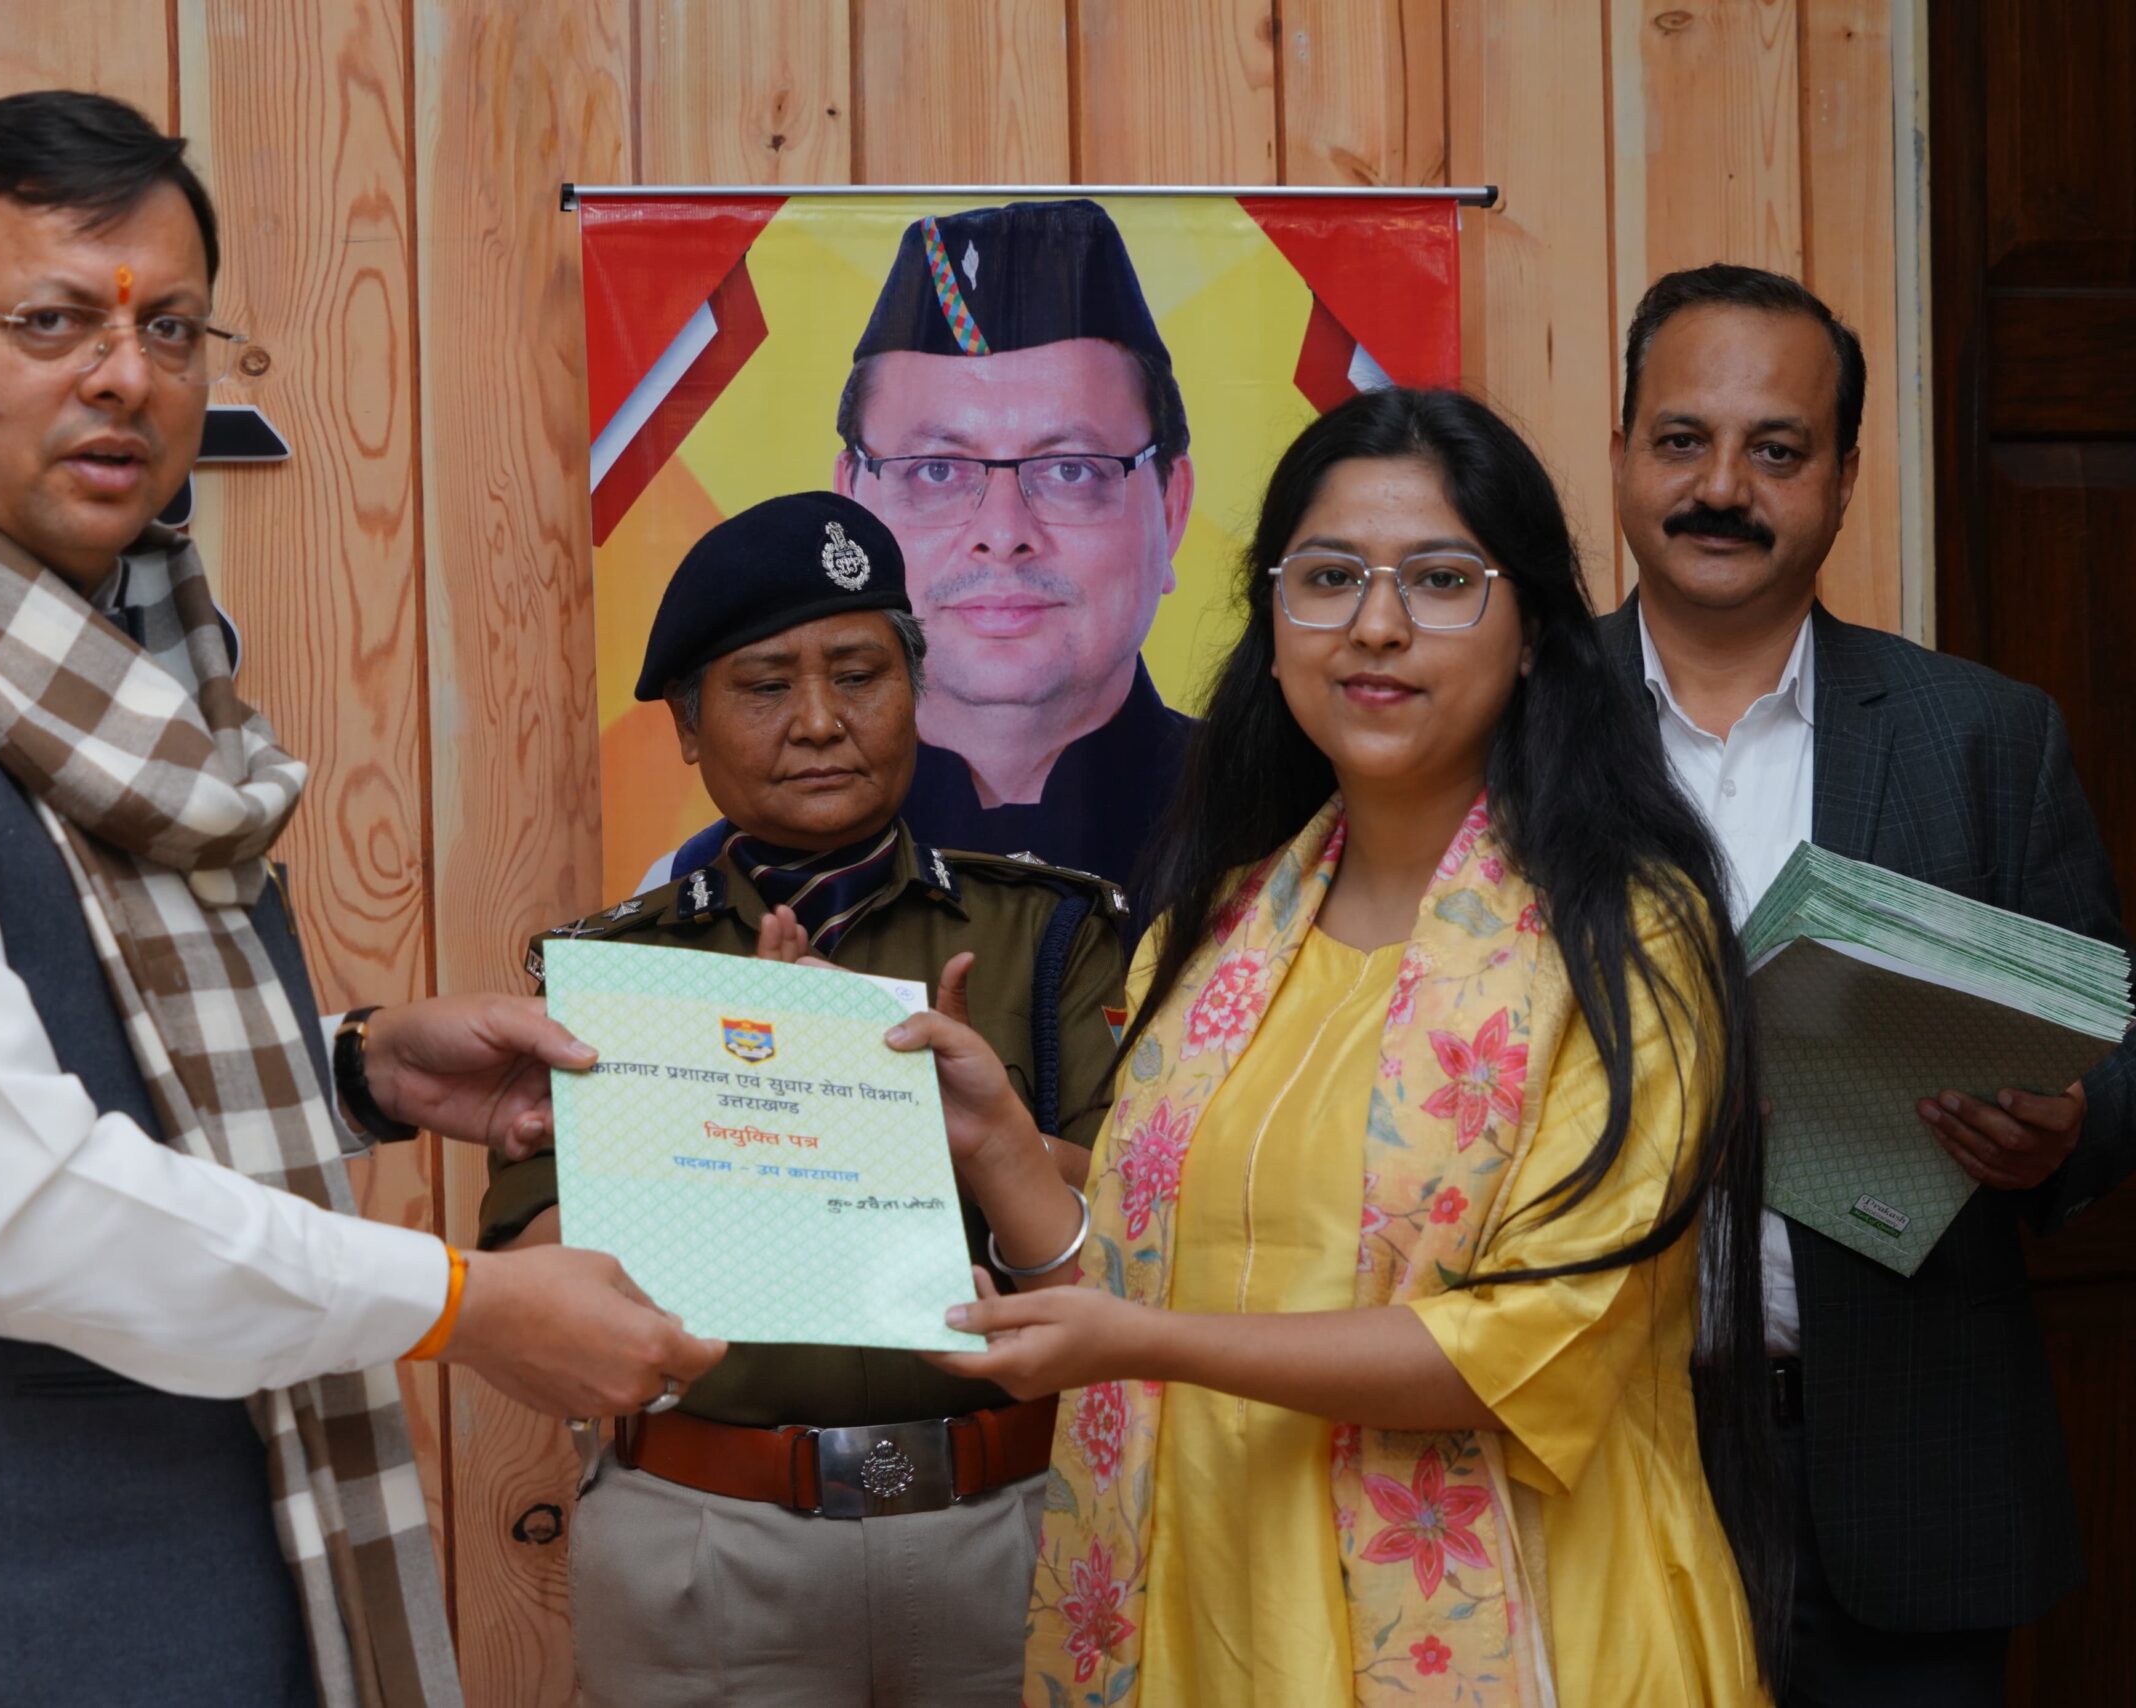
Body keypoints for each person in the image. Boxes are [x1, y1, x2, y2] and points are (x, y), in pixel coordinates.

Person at [0, 91, 722, 1708]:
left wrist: (353, 1067)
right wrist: (463, 1302)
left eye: (174, 328)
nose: (127, 375)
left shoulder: (91, 655)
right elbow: (1, 1207)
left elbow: (55, 1039)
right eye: (52, 321)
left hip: (218, 1613)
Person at [897, 388, 1792, 1704]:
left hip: (1531, 1620)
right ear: (1273, 626)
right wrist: (1003, 1150)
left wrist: (1146, 1343)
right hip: (1217, 1610)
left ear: (1533, 634)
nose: (1376, 624)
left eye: (1441, 580)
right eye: (1327, 578)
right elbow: (1136, 1269)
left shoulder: (1625, 942)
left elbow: (1521, 1349)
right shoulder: (1216, 926)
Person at [480, 491, 1130, 1708]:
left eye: (859, 674)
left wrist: (929, 1121)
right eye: (766, 685)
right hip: (706, 1532)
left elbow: (1141, 1222)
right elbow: (532, 1268)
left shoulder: (1046, 937)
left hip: (1014, 1516)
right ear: (687, 726)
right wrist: (750, 1106)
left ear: (916, 692)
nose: (821, 721)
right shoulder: (617, 973)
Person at [1605, 263, 2136, 1706]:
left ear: (1844, 479)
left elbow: (2115, 1044)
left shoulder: (1986, 738)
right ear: (1623, 452)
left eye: (1776, 449)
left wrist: (2068, 1129)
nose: (1723, 486)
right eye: (1681, 440)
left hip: (1910, 1474)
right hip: (1588, 1450)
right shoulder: (1519, 731)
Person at [649, 199, 1193, 908]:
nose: (1003, 532)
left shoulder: (1286, 842)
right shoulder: (700, 894)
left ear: (1171, 508)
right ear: (853, 501)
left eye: (1071, 469)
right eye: (936, 470)